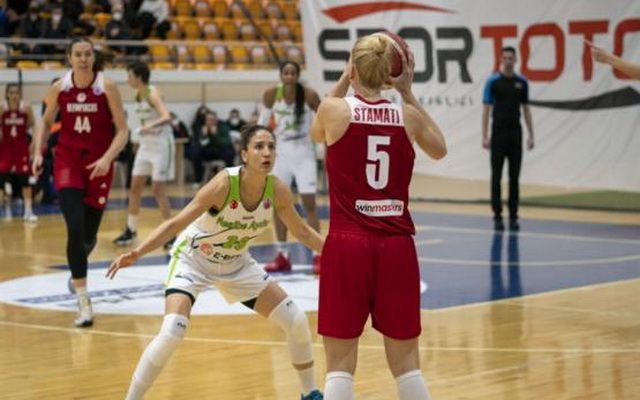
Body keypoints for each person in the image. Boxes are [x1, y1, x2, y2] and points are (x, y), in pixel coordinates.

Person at [107, 125, 324, 400]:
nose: (267, 152)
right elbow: (176, 223)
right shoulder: (223, 185)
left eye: (271, 146)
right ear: (244, 154)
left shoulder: (277, 190)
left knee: (296, 320)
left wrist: (339, 253)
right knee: (172, 331)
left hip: (236, 264)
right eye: (259, 147)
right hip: (193, 260)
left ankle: (309, 392)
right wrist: (137, 252)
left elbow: (303, 232)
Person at [310, 33, 447, 399]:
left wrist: (346, 77)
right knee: (407, 366)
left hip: (348, 243)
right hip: (396, 246)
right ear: (389, 74)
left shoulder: (333, 110)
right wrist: (408, 93)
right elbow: (440, 148)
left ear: (353, 69)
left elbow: (316, 132)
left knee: (339, 367)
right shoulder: (408, 116)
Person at [32, 37, 128, 327]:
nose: (84, 59)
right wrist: (38, 151)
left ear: (93, 57)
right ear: (69, 58)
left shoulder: (106, 86)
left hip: (99, 165)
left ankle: (78, 261)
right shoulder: (60, 87)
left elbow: (123, 131)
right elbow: (45, 122)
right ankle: (84, 302)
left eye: (88, 54)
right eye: (78, 54)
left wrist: (107, 158)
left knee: (87, 237)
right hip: (68, 162)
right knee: (74, 228)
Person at [258, 61, 322, 273]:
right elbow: (262, 125)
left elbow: (324, 118)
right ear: (280, 75)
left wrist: (325, 144)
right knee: (279, 204)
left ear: (297, 75)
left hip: (304, 152)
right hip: (281, 153)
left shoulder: (310, 95)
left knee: (309, 205)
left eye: (293, 73)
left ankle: (318, 255)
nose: (289, 76)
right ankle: (282, 255)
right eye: (285, 73)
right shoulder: (270, 95)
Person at [113, 62, 174, 249]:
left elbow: (166, 116)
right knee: (135, 188)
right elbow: (144, 119)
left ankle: (171, 234)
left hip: (161, 144)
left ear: (139, 77)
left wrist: (148, 127)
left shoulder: (152, 93)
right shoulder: (137, 95)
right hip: (146, 145)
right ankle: (131, 230)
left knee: (157, 190)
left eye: (130, 76)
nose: (128, 79)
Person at [481, 46, 534, 231]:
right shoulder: (493, 82)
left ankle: (513, 215)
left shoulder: (522, 83)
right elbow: (486, 109)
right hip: (498, 134)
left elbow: (526, 109)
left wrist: (531, 134)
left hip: (515, 134)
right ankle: (497, 214)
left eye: (511, 58)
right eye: (505, 58)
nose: (508, 61)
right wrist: (485, 135)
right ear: (501, 59)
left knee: (514, 176)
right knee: (496, 176)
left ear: (516, 59)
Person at [0, 83, 37, 222]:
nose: (14, 95)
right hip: (6, 149)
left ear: (20, 94)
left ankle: (28, 211)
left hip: (21, 149)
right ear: (7, 94)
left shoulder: (26, 108)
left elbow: (33, 125)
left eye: (16, 93)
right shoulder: (2, 108)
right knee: (2, 177)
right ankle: (7, 198)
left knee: (25, 180)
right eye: (11, 93)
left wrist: (34, 142)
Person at [189, 111, 236, 185]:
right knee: (195, 152)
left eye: (212, 119)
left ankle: (231, 179)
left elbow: (226, 142)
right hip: (208, 152)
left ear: (216, 119)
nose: (210, 121)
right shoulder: (201, 127)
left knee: (230, 152)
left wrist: (215, 135)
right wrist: (204, 136)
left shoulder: (223, 126)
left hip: (221, 151)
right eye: (208, 119)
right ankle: (198, 180)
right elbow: (200, 144)